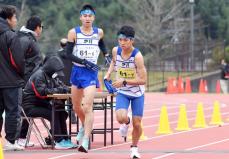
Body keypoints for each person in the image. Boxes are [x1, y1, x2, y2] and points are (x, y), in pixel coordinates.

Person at [65, 4, 111, 152]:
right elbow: (68, 54)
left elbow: (101, 44)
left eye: (90, 16)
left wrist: (107, 55)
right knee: (77, 107)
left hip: (91, 73)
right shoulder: (74, 33)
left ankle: (85, 140)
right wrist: (83, 61)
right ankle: (85, 126)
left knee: (87, 105)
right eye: (84, 16)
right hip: (77, 71)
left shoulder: (99, 32)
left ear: (93, 18)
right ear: (80, 17)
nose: (87, 18)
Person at [104, 26, 147, 159]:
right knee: (120, 118)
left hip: (137, 93)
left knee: (137, 123)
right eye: (120, 39)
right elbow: (113, 61)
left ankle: (134, 148)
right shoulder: (116, 50)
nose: (122, 43)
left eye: (125, 40)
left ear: (132, 41)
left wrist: (124, 81)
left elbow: (143, 80)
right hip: (123, 91)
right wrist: (108, 73)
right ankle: (126, 123)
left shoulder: (137, 57)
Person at [20, 55, 75, 149]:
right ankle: (58, 141)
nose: (57, 74)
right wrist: (60, 89)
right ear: (50, 68)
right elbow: (41, 92)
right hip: (30, 106)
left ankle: (65, 139)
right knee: (53, 113)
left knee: (61, 112)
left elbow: (62, 87)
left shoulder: (52, 75)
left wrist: (70, 89)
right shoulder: (39, 75)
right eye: (56, 72)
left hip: (41, 104)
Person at [0, 5, 25, 151]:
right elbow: (18, 60)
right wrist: (21, 75)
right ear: (8, 19)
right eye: (15, 17)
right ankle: (10, 141)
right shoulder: (10, 35)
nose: (16, 20)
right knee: (13, 111)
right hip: (11, 80)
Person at [17, 16, 43, 84]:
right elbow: (18, 59)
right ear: (38, 27)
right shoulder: (25, 39)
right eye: (42, 27)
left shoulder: (28, 38)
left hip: (29, 78)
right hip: (25, 79)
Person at [57, 38, 77, 124]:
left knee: (60, 103)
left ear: (60, 45)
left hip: (60, 82)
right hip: (71, 81)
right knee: (71, 102)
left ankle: (60, 119)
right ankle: (73, 118)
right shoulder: (73, 55)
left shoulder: (56, 55)